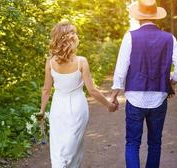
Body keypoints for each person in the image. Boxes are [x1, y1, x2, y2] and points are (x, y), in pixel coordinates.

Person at [110, 0, 177, 168]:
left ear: (138, 17)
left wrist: (114, 94)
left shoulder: (130, 37)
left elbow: (121, 69)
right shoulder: (169, 38)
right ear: (156, 16)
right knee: (155, 143)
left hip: (134, 98)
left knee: (132, 143)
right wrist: (171, 83)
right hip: (159, 97)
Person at [37, 21, 117, 168]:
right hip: (77, 108)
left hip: (57, 108)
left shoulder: (50, 62)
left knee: (59, 146)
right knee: (74, 146)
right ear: (70, 39)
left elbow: (46, 90)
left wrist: (42, 111)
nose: (77, 36)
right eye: (74, 33)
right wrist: (109, 105)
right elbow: (92, 90)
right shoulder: (81, 61)